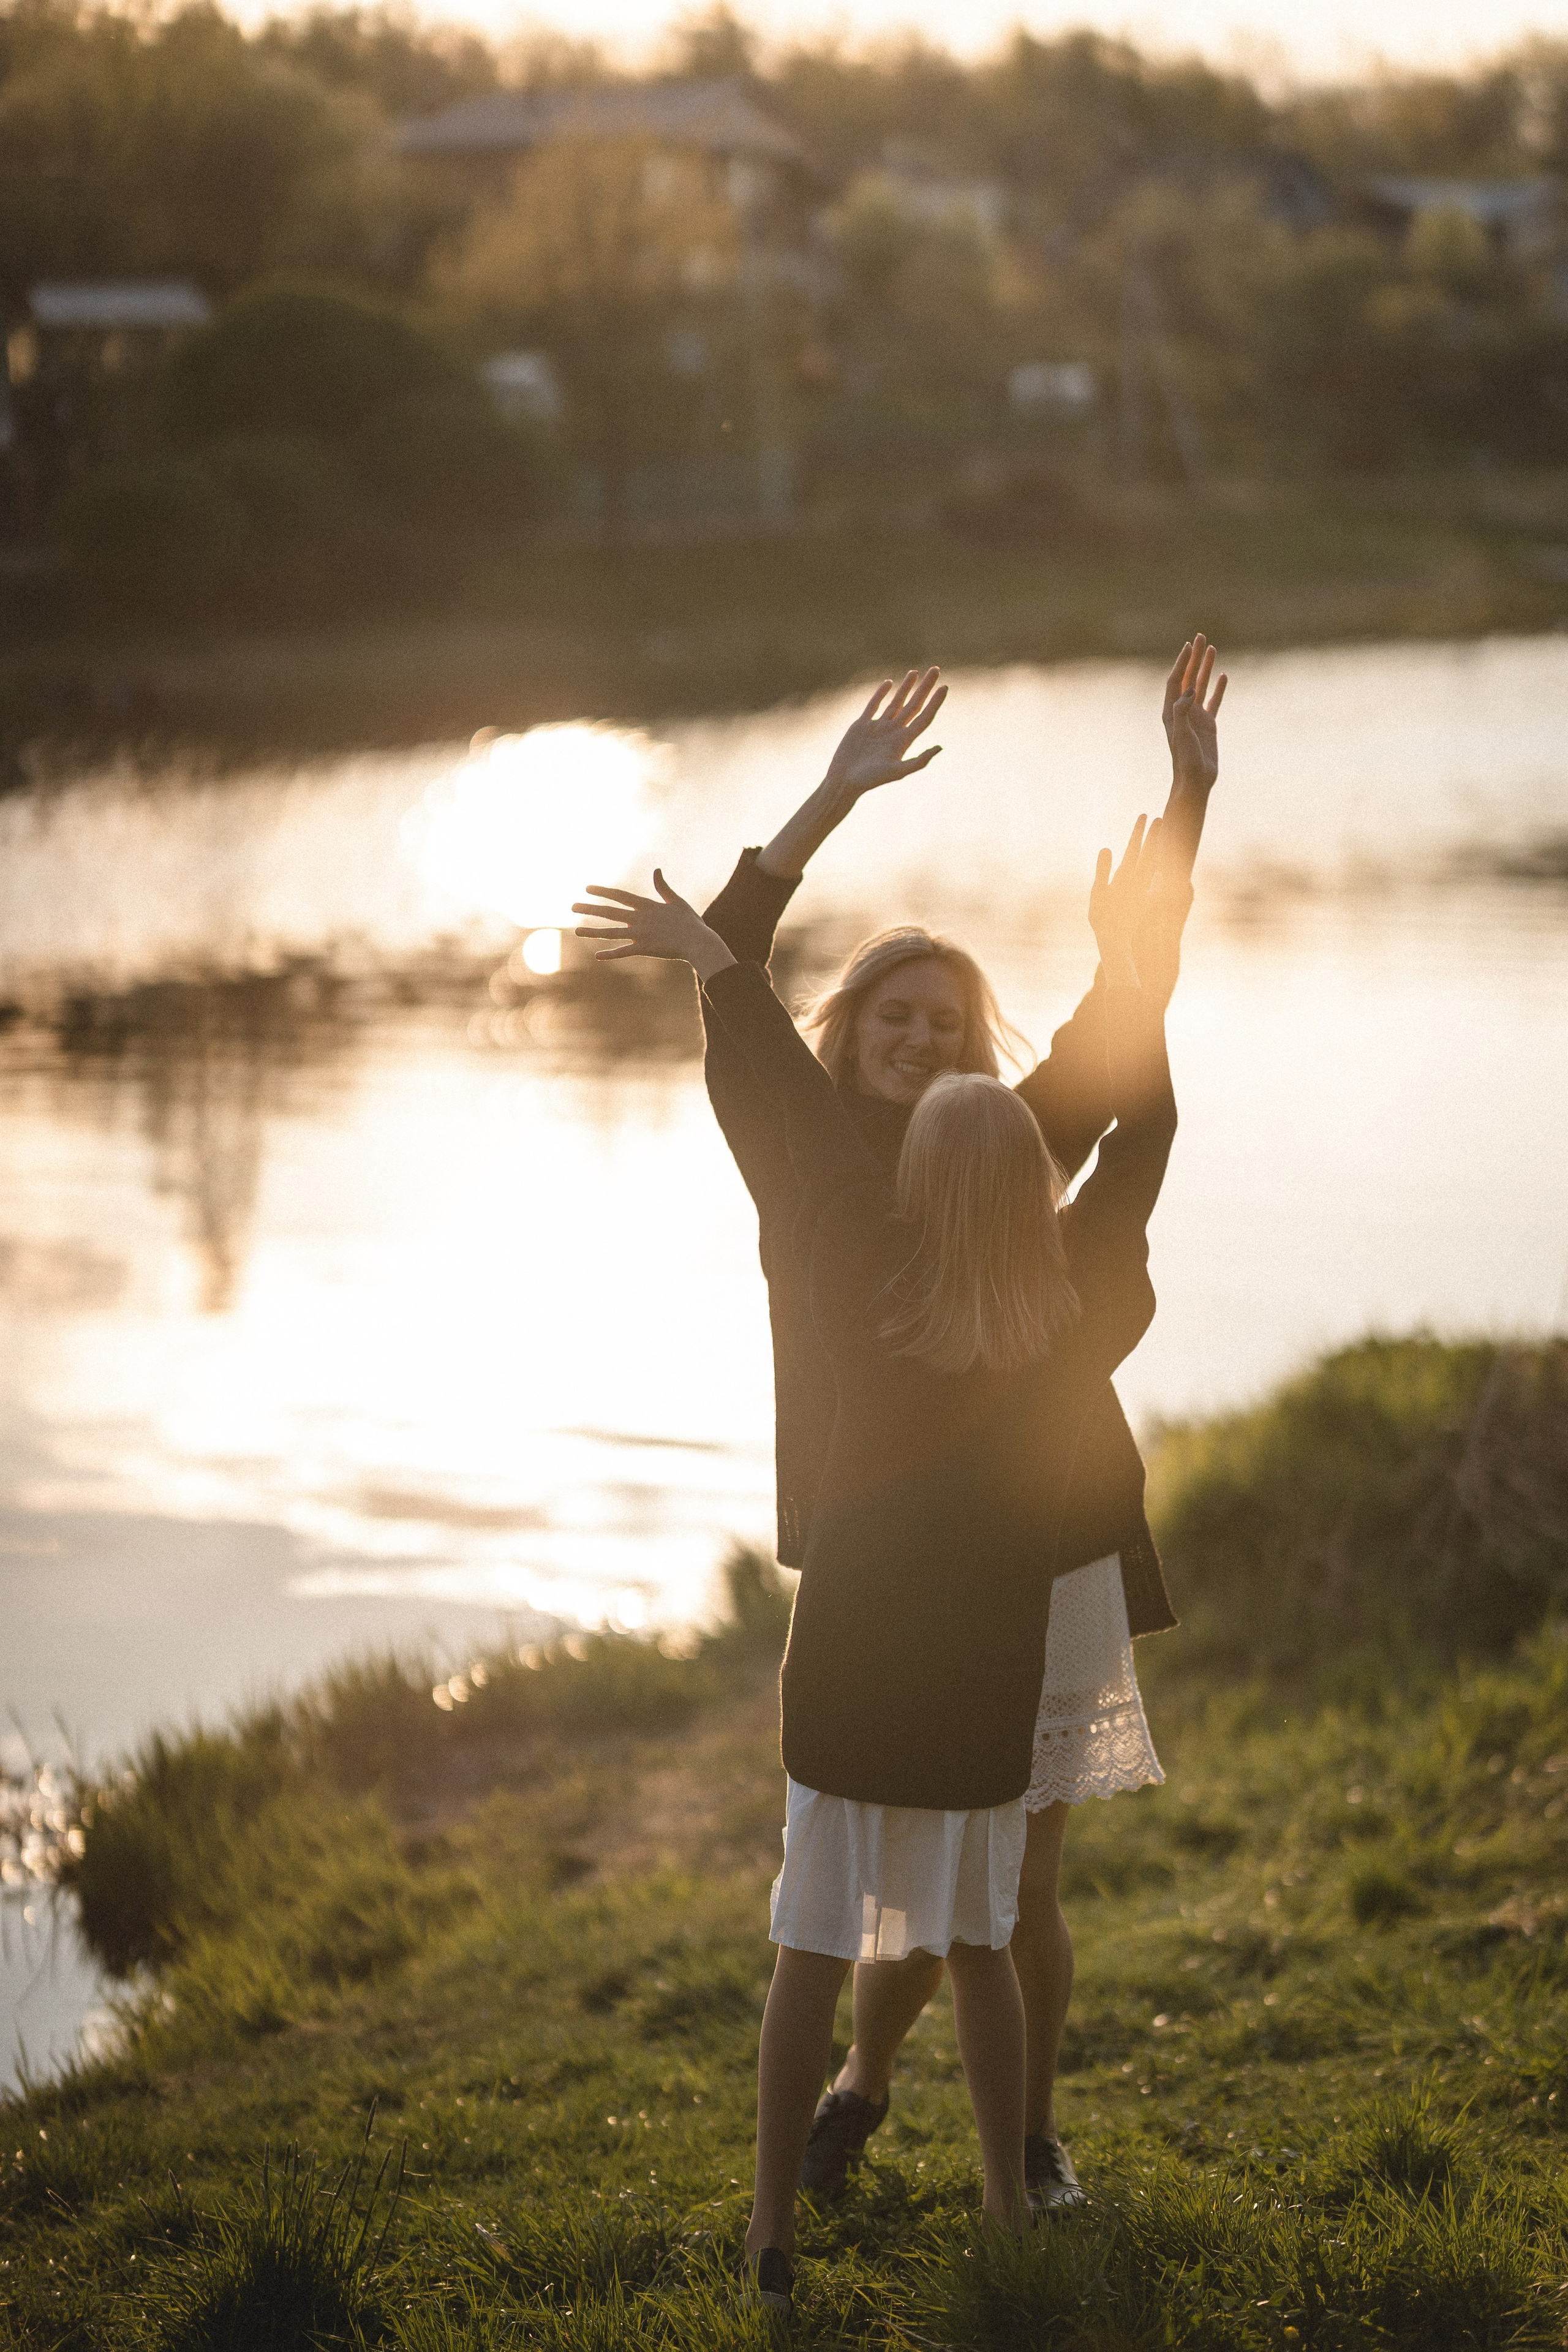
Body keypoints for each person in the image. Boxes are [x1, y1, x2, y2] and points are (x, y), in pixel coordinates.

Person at [575, 817, 1182, 2313]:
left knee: (852, 1931)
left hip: (880, 1636)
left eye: (944, 1035)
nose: (923, 1050)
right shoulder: (1067, 1305)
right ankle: (983, 2189)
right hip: (970, 1651)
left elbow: (801, 1122)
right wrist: (1133, 963)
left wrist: (726, 961)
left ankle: (814, 2215)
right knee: (972, 1933)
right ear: (1030, 1179)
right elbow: (1136, 1137)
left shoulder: (848, 1261)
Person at [672, 640, 1226, 2218]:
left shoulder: (1007, 1140)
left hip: (1049, 1530)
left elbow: (1130, 1015)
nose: (922, 1037)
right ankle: (861, 2086)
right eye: (893, 1017)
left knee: (1014, 1883)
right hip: (886, 1551)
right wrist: (823, 803)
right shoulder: (806, 1163)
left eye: (949, 1020)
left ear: (977, 1056)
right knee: (902, 1885)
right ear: (843, 1037)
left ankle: (1021, 2144)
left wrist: (1184, 800)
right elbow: (723, 964)